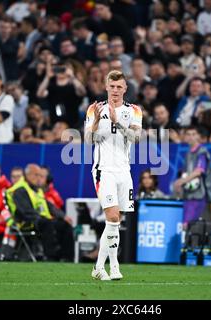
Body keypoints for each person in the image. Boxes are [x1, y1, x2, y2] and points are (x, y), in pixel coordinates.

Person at [84, 70, 142, 281]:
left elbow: (136, 138)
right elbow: (89, 140)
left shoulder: (134, 110)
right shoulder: (95, 108)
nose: (115, 90)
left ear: (125, 89)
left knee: (115, 222)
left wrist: (118, 123)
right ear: (106, 87)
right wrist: (99, 121)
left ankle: (100, 267)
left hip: (124, 171)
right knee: (112, 217)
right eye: (112, 86)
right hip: (103, 170)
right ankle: (113, 266)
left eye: (120, 87)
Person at [4, 164, 72, 261]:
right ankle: (51, 257)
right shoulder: (19, 190)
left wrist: (63, 216)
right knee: (47, 224)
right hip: (26, 222)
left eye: (41, 176)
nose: (39, 178)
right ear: (29, 175)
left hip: (40, 220)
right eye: (37, 175)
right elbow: (25, 211)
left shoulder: (36, 189)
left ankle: (67, 258)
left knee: (64, 224)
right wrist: (42, 219)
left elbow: (48, 205)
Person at [173, 126, 211, 225]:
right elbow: (186, 173)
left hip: (199, 196)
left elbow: (199, 171)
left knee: (192, 226)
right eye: (188, 134)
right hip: (189, 195)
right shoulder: (188, 154)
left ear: (199, 136)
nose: (191, 137)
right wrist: (182, 186)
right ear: (185, 137)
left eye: (194, 134)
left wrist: (181, 181)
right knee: (185, 225)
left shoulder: (202, 152)